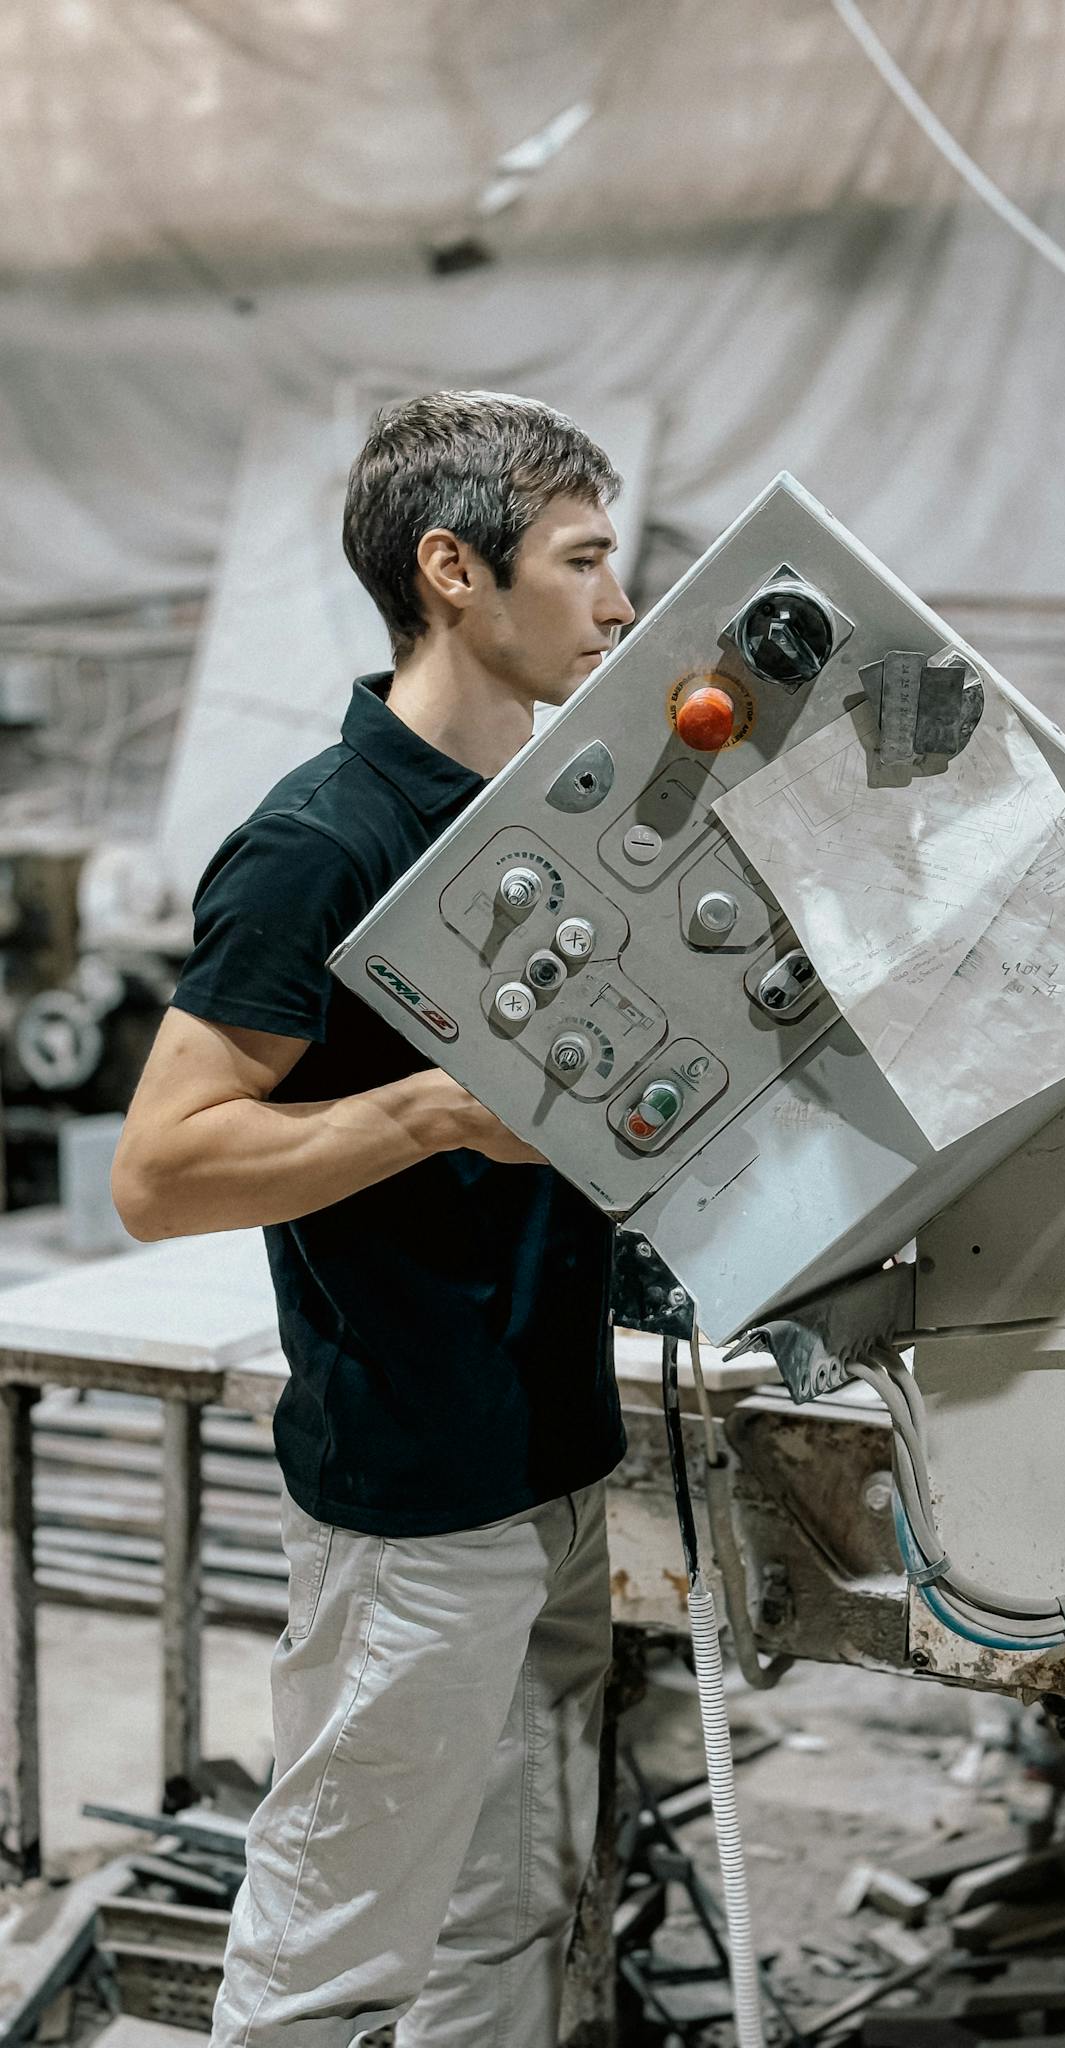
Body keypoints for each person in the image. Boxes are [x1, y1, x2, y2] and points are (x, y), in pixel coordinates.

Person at [111, 390, 637, 2048]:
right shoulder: (316, 844)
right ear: (452, 572)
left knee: (512, 1926)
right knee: (331, 1959)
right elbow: (160, 1169)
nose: (619, 602)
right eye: (583, 559)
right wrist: (422, 1111)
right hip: (416, 1496)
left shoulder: (545, 816)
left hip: (554, 1459)